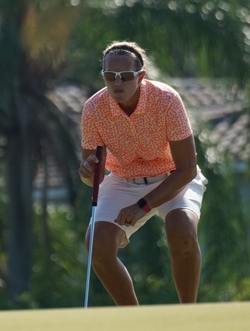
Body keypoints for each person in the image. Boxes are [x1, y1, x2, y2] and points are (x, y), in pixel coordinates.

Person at [78, 40, 207, 306]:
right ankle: (135, 319)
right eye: (110, 76)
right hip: (123, 180)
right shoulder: (94, 109)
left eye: (125, 76)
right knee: (97, 246)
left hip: (173, 178)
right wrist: (87, 173)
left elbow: (187, 169)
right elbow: (94, 178)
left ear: (141, 76)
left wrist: (143, 206)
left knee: (181, 230)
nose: (117, 82)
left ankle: (189, 313)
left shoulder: (166, 100)